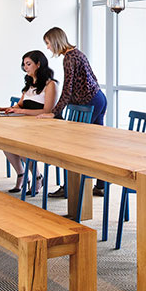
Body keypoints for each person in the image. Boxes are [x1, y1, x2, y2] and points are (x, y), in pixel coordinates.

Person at [40, 26, 108, 197]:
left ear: (55, 41)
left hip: (89, 102)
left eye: (48, 43)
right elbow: (93, 78)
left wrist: (54, 112)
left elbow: (67, 88)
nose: (48, 47)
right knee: (97, 144)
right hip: (98, 98)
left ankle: (71, 187)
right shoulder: (77, 53)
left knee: (75, 145)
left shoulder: (69, 58)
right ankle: (101, 186)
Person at [2, 50, 57, 194]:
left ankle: (37, 177)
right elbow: (20, 104)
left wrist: (21, 111)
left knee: (21, 146)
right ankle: (22, 175)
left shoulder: (50, 85)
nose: (25, 67)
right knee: (5, 143)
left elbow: (47, 111)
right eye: (24, 64)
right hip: (27, 126)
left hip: (44, 128)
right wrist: (10, 108)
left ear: (38, 64)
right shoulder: (29, 85)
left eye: (28, 64)